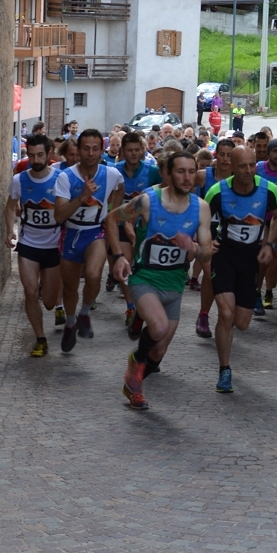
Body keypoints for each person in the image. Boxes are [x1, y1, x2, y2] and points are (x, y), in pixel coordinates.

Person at [106, 151, 216, 410]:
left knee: (158, 352)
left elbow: (208, 251)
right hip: (144, 278)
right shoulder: (148, 201)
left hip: (174, 284)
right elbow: (112, 218)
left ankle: (142, 348)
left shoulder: (200, 207)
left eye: (192, 171)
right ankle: (134, 377)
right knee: (158, 327)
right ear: (168, 173)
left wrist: (195, 248)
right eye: (181, 171)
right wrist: (119, 256)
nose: (187, 177)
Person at [204, 146, 277, 392]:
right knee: (226, 315)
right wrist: (207, 243)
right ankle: (224, 370)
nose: (249, 171)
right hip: (225, 256)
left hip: (251, 259)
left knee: (242, 323)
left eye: (252, 165)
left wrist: (270, 244)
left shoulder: (269, 189)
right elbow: (202, 220)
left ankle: (227, 355)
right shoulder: (217, 192)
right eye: (243, 166)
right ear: (231, 166)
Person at [53, 129, 124, 351]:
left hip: (96, 232)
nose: (91, 153)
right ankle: (71, 322)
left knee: (94, 275)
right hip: (72, 233)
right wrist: (83, 196)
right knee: (71, 287)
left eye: (95, 149)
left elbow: (120, 188)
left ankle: (85, 313)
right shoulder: (66, 177)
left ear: (102, 150)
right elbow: (59, 215)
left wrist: (112, 212)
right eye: (86, 148)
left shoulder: (111, 174)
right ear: (79, 150)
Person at [5, 134, 63, 356]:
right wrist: (9, 230)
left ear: (49, 154)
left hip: (54, 246)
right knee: (30, 293)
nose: (35, 159)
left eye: (40, 155)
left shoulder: (61, 179)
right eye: (31, 155)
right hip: (29, 245)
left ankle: (47, 293)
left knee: (48, 302)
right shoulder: (20, 180)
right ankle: (40, 339)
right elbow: (10, 206)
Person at [112, 131, 161, 324]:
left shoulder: (152, 171)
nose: (133, 153)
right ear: (122, 151)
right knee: (126, 262)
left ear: (142, 151)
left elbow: (161, 196)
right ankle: (131, 307)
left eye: (136, 150)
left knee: (142, 267)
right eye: (129, 150)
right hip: (122, 225)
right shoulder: (114, 171)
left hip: (145, 228)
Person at [194, 138, 235, 336]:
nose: (226, 159)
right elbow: (185, 193)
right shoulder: (203, 176)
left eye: (230, 155)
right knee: (211, 273)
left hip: (230, 234)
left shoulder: (240, 178)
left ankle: (225, 315)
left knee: (229, 276)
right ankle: (203, 314)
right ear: (215, 155)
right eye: (222, 154)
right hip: (206, 231)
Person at [255, 138, 277, 310]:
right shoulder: (258, 169)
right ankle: (261, 291)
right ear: (268, 153)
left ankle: (269, 288)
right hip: (263, 218)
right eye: (275, 151)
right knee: (267, 255)